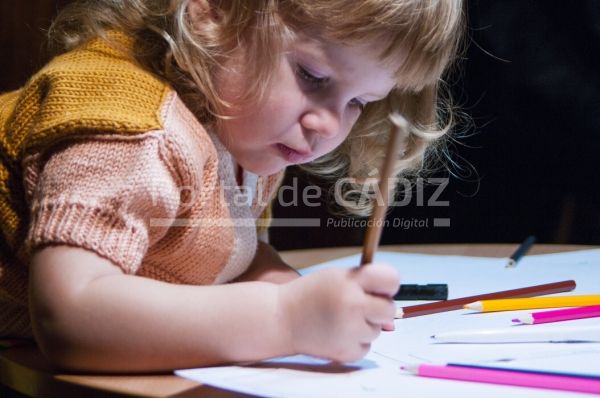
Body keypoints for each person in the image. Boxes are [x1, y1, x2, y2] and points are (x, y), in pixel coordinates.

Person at [0, 0, 464, 371]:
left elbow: (230, 254)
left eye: (360, 101)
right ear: (213, 9)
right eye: (312, 76)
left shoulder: (245, 134)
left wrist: (303, 296)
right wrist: (285, 318)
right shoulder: (127, 128)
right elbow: (70, 318)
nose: (328, 124)